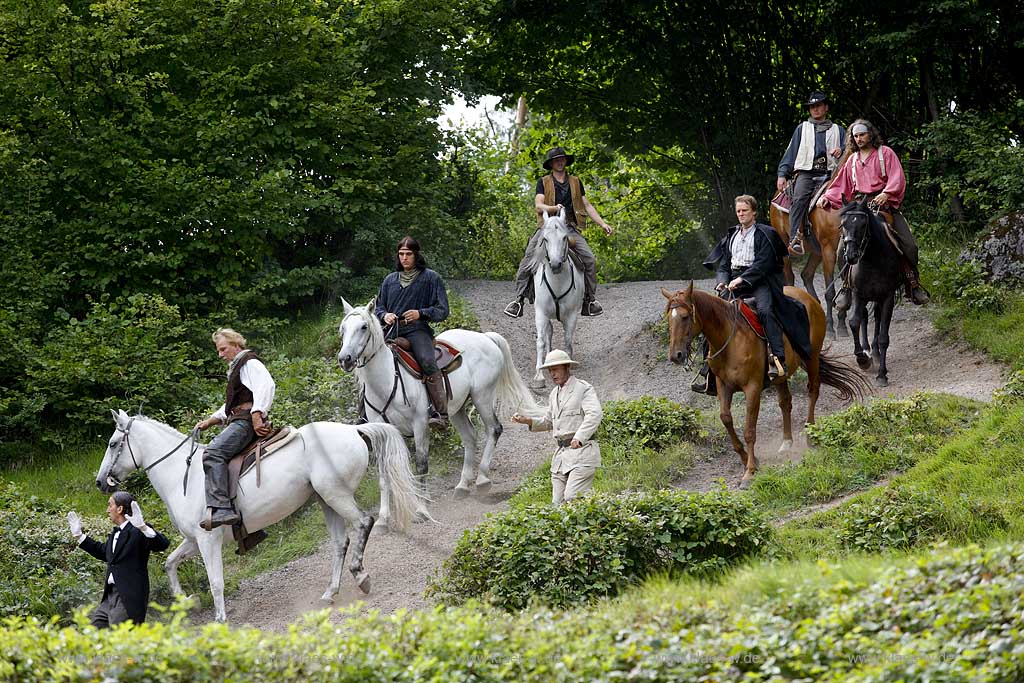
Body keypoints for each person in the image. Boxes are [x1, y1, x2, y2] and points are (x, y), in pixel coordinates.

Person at [692, 195, 812, 394]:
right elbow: (724, 264)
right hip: (733, 282)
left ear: (754, 212)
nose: (741, 214)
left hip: (759, 282)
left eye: (744, 211)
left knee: (765, 310)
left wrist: (742, 280)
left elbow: (763, 263)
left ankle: (777, 358)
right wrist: (722, 280)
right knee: (712, 316)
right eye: (738, 211)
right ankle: (707, 369)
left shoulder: (765, 234)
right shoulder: (732, 236)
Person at [817, 118, 930, 308]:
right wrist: (827, 196)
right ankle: (846, 287)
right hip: (860, 208)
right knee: (842, 250)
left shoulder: (885, 153)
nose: (859, 138)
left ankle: (913, 285)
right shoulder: (852, 160)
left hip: (884, 207)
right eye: (855, 136)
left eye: (862, 134)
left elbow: (897, 178)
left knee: (909, 245)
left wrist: (887, 193)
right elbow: (841, 185)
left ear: (870, 134)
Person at [504, 146, 614, 319]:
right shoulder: (544, 182)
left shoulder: (576, 182)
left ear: (565, 161)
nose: (560, 161)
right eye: (556, 160)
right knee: (528, 259)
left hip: (569, 228)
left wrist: (602, 223)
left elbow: (586, 205)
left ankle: (589, 300)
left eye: (562, 159)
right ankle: (518, 300)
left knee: (589, 260)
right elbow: (539, 205)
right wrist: (553, 208)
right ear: (551, 164)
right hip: (547, 227)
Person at [194, 328, 275, 531]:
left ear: (236, 345)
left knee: (212, 453)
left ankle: (221, 509)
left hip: (245, 422)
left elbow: (265, 386)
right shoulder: (237, 367)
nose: (220, 354)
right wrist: (210, 421)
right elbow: (231, 406)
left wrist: (257, 415)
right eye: (218, 351)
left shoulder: (249, 363)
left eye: (223, 349)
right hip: (239, 418)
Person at [375, 235, 451, 430]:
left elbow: (443, 310)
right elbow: (378, 308)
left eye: (408, 254)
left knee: (427, 361)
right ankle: (364, 415)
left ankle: (440, 413)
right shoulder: (389, 280)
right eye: (401, 254)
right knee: (368, 360)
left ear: (416, 255)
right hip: (391, 330)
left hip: (418, 330)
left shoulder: (431, 278)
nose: (404, 258)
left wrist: (421, 313)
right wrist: (385, 316)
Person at [511, 349, 603, 505]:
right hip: (561, 457)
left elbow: (595, 414)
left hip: (582, 453)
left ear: (566, 367)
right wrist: (528, 421)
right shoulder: (554, 393)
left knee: (573, 498)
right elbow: (549, 421)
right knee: (557, 504)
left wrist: (579, 437)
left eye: (555, 369)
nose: (552, 374)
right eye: (549, 371)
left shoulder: (583, 388)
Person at [67, 492, 170, 628]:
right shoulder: (115, 533)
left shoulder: (137, 530)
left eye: (110, 505)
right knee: (93, 631)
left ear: (119, 509)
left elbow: (162, 544)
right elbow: (104, 552)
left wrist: (143, 527)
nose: (107, 509)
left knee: (120, 637)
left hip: (128, 598)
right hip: (110, 597)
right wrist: (79, 536)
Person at [777, 91, 846, 256]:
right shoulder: (802, 128)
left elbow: (850, 150)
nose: (815, 109)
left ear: (826, 107)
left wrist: (841, 149)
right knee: (799, 198)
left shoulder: (839, 129)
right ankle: (795, 238)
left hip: (831, 173)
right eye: (812, 107)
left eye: (819, 106)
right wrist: (782, 174)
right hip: (807, 173)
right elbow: (791, 152)